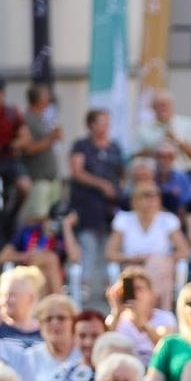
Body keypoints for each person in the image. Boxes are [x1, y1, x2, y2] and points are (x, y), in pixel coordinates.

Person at [106, 183, 189, 306]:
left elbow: (185, 251)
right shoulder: (124, 219)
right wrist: (132, 258)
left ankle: (153, 307)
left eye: (153, 196)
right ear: (135, 200)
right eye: (145, 196)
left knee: (157, 265)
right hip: (132, 266)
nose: (150, 200)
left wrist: (161, 259)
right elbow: (110, 253)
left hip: (162, 267)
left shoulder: (168, 220)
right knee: (138, 274)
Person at [67, 109, 125, 274]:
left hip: (110, 206)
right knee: (88, 242)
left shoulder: (114, 147)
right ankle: (85, 281)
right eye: (102, 122)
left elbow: (122, 172)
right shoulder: (81, 146)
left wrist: (116, 189)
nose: (106, 126)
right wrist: (102, 185)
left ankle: (108, 281)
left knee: (109, 241)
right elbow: (77, 172)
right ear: (91, 124)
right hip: (88, 203)